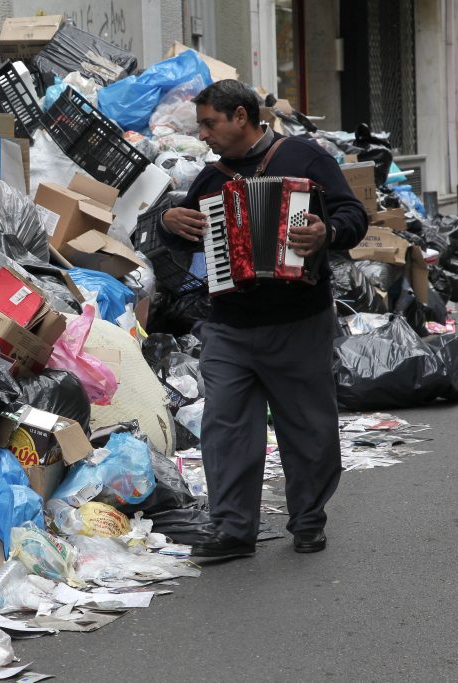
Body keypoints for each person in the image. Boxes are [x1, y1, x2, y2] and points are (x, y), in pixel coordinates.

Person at [158, 79, 368, 558]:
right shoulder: (212, 180)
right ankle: (233, 530)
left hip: (298, 319)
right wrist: (168, 222)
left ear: (240, 117)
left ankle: (308, 519)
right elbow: (185, 234)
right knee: (225, 427)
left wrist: (326, 231)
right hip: (230, 324)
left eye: (210, 124)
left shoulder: (305, 159)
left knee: (307, 426)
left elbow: (352, 215)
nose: (204, 135)